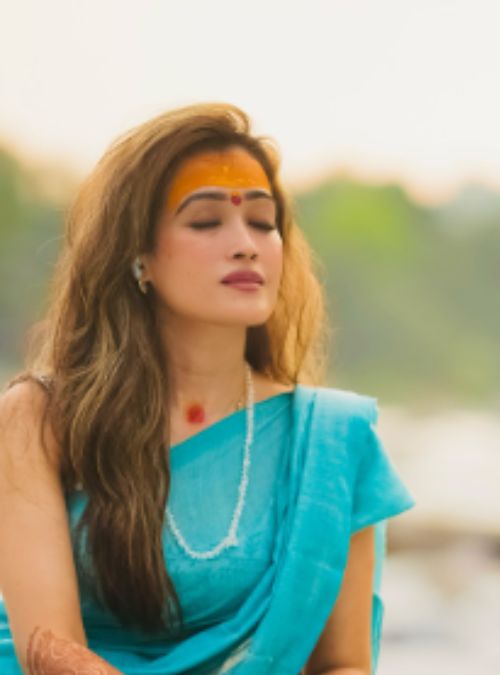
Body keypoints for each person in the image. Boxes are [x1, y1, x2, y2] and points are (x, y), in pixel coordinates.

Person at [0, 103, 413, 674]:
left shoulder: (333, 442)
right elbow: (50, 654)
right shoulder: (37, 421)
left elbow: (342, 664)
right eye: (206, 221)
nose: (246, 244)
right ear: (138, 256)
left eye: (264, 222)